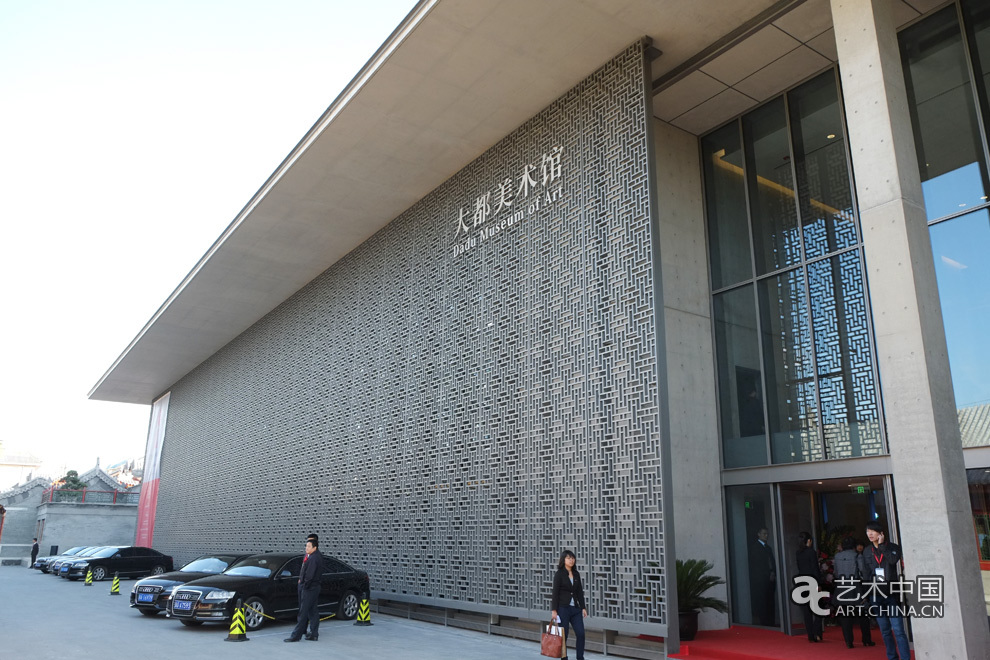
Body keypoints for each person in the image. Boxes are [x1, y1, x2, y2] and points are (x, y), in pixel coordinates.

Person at [858, 522, 910, 660]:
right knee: (885, 631)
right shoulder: (867, 551)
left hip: (891, 594)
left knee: (898, 630)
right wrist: (866, 595)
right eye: (868, 531)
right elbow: (866, 573)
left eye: (872, 531)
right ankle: (892, 657)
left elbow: (892, 561)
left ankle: (905, 658)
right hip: (876, 595)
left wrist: (882, 546)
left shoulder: (893, 547)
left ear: (881, 533)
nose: (869, 534)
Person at [833, 536, 875, 648]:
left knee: (845, 615)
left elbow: (836, 572)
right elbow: (863, 572)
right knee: (863, 613)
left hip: (842, 586)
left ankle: (848, 641)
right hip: (855, 586)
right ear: (853, 546)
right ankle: (866, 639)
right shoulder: (857, 556)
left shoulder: (837, 556)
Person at [284, 536, 324, 642]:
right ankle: (314, 634)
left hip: (310, 588)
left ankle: (296, 636)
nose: (306, 548)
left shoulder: (315, 558)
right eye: (306, 546)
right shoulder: (310, 555)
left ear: (314, 547)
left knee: (303, 612)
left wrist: (304, 585)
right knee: (313, 611)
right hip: (310, 587)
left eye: (309, 546)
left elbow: (310, 575)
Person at [550, 550, 587, 660]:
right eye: (568, 558)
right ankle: (564, 658)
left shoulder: (576, 574)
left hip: (575, 609)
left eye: (572, 558)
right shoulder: (559, 574)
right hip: (563, 609)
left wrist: (583, 607)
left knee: (581, 633)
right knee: (563, 635)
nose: (571, 560)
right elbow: (555, 593)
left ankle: (580, 657)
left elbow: (579, 592)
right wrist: (554, 610)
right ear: (563, 560)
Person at [795, 531, 822, 643]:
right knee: (818, 609)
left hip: (802, 582)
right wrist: (818, 583)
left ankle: (810, 635)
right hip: (812, 582)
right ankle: (816, 632)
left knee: (807, 611)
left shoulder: (798, 553)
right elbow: (815, 568)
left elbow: (799, 567)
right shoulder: (811, 552)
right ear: (809, 541)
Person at [747, 527, 776, 625]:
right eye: (764, 533)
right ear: (758, 534)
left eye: (767, 534)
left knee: (770, 600)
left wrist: (773, 572)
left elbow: (772, 562)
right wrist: (767, 574)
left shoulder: (768, 548)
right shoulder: (755, 547)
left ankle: (771, 621)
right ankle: (764, 621)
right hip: (761, 579)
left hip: (770, 579)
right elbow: (758, 564)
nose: (766, 536)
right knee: (762, 600)